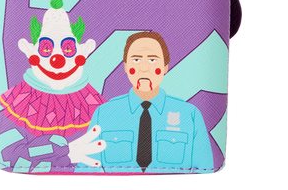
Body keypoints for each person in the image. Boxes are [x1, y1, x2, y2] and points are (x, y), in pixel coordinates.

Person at [75, 32, 214, 174]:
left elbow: (205, 170)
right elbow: (86, 170)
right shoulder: (104, 114)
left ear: (165, 66)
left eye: (152, 60)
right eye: (136, 60)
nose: (144, 68)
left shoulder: (189, 115)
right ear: (126, 66)